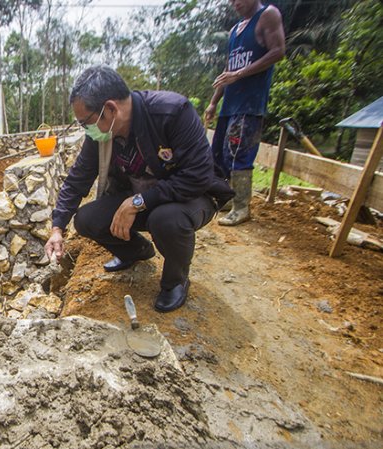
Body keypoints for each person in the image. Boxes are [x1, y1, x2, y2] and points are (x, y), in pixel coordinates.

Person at [44, 66, 233, 312]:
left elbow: (197, 176)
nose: (86, 129)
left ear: (110, 109)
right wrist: (57, 228)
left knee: (166, 219)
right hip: (141, 197)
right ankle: (136, 251)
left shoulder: (172, 112)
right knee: (86, 219)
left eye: (86, 122)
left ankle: (176, 280)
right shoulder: (102, 135)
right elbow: (77, 178)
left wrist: (138, 202)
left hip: (190, 197)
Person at [205, 0, 285, 226]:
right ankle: (228, 198)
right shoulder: (235, 29)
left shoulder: (268, 15)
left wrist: (240, 73)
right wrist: (213, 102)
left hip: (249, 104)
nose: (235, 3)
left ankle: (242, 207)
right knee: (221, 153)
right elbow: (228, 71)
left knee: (239, 154)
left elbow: (278, 51)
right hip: (229, 105)